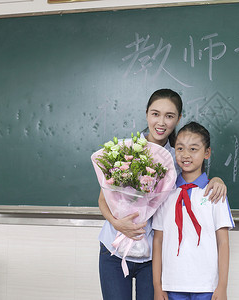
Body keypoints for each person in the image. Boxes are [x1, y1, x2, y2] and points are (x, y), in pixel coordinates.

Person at [97, 89, 228, 300]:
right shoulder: (126, 149)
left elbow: (193, 185)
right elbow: (103, 198)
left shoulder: (177, 158)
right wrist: (116, 222)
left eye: (169, 116)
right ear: (146, 113)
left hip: (151, 254)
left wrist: (217, 180)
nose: (161, 122)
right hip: (114, 247)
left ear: (178, 119)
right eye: (155, 114)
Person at [152, 122, 234, 300]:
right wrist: (157, 286)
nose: (185, 155)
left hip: (206, 285)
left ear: (207, 153)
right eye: (180, 148)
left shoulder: (215, 192)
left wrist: (222, 286)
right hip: (172, 283)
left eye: (193, 149)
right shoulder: (166, 192)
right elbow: (158, 241)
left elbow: (223, 243)